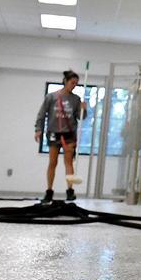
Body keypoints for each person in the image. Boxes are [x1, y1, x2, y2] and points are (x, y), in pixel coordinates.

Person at [33, 70, 86, 202]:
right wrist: (38, 129)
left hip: (69, 134)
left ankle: (70, 191)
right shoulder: (51, 97)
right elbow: (42, 114)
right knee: (53, 162)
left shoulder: (76, 99)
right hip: (53, 133)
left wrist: (84, 109)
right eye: (72, 82)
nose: (74, 85)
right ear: (65, 81)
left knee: (68, 162)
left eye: (76, 84)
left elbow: (81, 117)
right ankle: (49, 191)